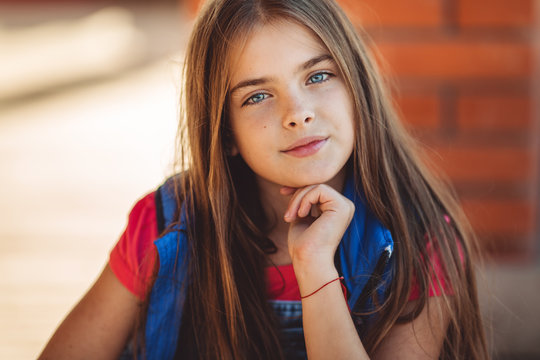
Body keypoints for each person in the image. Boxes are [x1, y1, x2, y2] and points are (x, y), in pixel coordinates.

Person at [38, 0, 489, 359]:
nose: (298, 113)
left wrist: (314, 266)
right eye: (257, 96)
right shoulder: (165, 226)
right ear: (226, 132)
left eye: (318, 75)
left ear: (357, 88)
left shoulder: (421, 242)